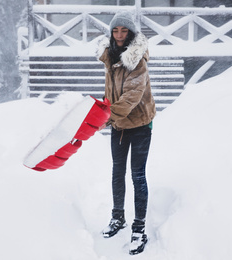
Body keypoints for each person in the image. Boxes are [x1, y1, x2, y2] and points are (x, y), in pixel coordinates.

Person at [96, 11, 156, 255]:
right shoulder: (110, 57)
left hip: (140, 124)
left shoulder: (137, 60)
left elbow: (132, 96)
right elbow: (111, 92)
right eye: (115, 30)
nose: (119, 34)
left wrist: (107, 117)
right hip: (119, 125)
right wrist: (101, 110)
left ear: (131, 33)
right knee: (117, 172)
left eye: (124, 30)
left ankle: (139, 228)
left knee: (137, 176)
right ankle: (117, 217)